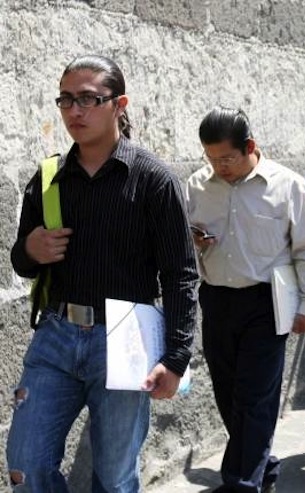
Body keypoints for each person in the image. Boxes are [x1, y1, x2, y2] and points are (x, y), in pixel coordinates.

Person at [7, 54, 198, 491]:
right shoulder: (49, 178)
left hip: (125, 340)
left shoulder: (153, 179)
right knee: (26, 465)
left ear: (119, 104)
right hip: (55, 336)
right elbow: (22, 261)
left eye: (89, 99)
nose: (75, 111)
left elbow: (180, 274)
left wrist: (176, 357)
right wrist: (31, 249)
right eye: (66, 100)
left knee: (114, 478)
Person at [187, 107, 305, 492]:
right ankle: (263, 467)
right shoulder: (198, 186)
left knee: (254, 397)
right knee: (229, 395)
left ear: (249, 146)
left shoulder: (288, 185)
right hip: (216, 300)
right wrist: (194, 241)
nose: (219, 167)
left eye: (226, 159)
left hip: (267, 305)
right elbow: (184, 240)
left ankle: (240, 484)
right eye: (211, 158)